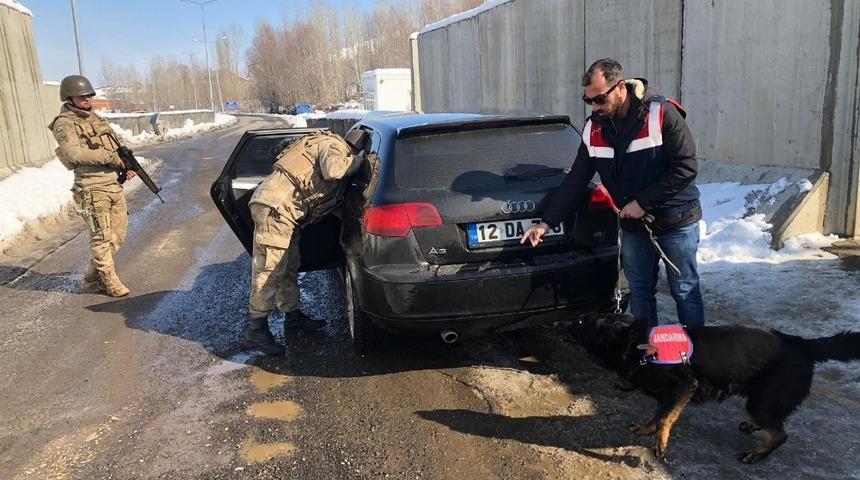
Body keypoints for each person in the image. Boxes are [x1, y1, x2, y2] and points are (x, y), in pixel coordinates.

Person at [521, 58, 705, 327]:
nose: (595, 107)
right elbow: (576, 180)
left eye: (599, 99)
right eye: (589, 101)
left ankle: (695, 357)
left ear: (620, 88)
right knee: (640, 292)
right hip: (635, 226)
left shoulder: (660, 113)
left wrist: (642, 202)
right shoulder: (593, 128)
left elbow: (686, 167)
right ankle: (646, 353)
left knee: (685, 290)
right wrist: (547, 223)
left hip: (676, 218)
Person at [245, 131, 364, 355]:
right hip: (276, 208)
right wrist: (359, 161)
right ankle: (256, 329)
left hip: (285, 210)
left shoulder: (321, 143)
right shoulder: (333, 144)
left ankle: (293, 316)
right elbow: (334, 170)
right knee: (269, 270)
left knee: (288, 266)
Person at [49, 75, 135, 298]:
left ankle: (90, 279)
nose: (88, 99)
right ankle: (110, 281)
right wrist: (109, 157)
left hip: (112, 185)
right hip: (91, 188)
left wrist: (125, 165)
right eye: (82, 96)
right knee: (100, 237)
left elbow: (115, 148)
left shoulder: (97, 119)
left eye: (90, 95)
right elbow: (74, 153)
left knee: (118, 235)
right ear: (70, 97)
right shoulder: (64, 123)